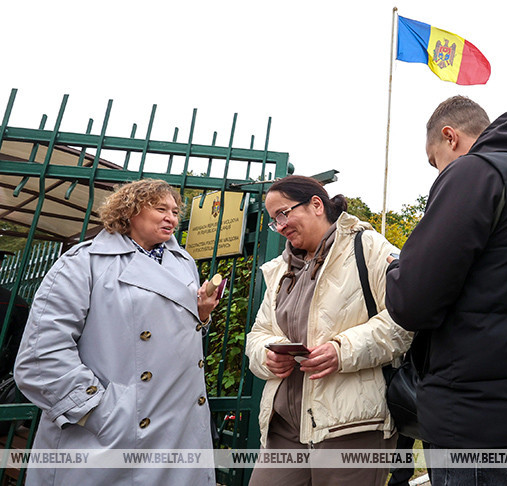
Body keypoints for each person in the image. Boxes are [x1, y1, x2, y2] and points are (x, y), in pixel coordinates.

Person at [385, 96, 507, 486]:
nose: (437, 170)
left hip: (477, 426)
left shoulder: (474, 172)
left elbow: (411, 302)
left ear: (450, 137)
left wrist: (396, 270)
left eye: (434, 160)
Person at [13, 178, 220, 485]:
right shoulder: (82, 262)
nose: (172, 218)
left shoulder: (184, 262)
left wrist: (201, 315)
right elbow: (40, 356)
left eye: (175, 212)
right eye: (161, 209)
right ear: (130, 211)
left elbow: (172, 338)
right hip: (108, 437)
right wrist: (103, 414)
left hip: (179, 429)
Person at [245, 175, 412, 486]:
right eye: (273, 220)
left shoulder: (369, 247)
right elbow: (257, 334)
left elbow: (404, 320)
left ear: (316, 205)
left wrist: (342, 350)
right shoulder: (279, 270)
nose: (279, 226)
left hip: (352, 428)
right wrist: (266, 356)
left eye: (283, 214)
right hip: (285, 428)